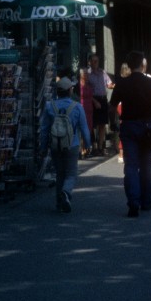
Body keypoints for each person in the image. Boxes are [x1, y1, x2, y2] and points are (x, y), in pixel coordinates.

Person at [110, 51, 151, 216]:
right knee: (145, 166)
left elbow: (112, 107)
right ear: (143, 65)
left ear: (128, 65)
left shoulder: (122, 83)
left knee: (131, 166)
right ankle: (146, 201)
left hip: (128, 125)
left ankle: (133, 201)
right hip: (147, 126)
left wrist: (114, 122)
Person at [39, 79, 91, 213]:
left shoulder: (50, 106)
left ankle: (59, 202)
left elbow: (44, 129)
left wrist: (43, 147)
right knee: (71, 173)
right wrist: (88, 144)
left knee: (60, 173)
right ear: (70, 90)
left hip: (55, 145)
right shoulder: (77, 106)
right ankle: (66, 192)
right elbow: (84, 128)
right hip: (72, 144)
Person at [87, 54, 113, 155]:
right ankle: (94, 146)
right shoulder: (88, 74)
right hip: (94, 99)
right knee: (93, 124)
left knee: (102, 124)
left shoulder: (102, 72)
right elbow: (86, 91)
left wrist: (111, 86)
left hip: (102, 99)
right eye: (93, 61)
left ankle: (101, 146)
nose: (95, 63)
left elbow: (109, 83)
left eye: (96, 61)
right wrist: (94, 101)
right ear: (89, 62)